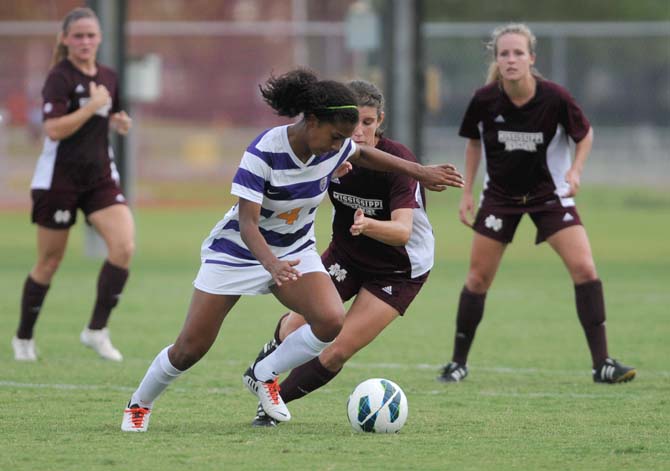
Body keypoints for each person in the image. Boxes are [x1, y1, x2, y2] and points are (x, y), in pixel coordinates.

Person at [121, 68, 463, 432]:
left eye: (343, 141)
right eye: (334, 137)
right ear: (311, 121)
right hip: (239, 250)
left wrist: (420, 172)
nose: (339, 148)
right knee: (191, 347)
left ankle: (263, 372)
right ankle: (139, 405)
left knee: (330, 320)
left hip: (295, 248)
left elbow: (364, 156)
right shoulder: (264, 151)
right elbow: (247, 223)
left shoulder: (333, 146)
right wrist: (271, 265)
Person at [438, 23, 636, 385]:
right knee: (478, 278)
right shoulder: (484, 99)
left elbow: (585, 133)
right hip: (499, 197)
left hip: (549, 197)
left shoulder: (555, 98)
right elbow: (473, 142)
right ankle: (457, 364)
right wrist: (466, 192)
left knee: (585, 270)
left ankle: (602, 364)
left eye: (518, 53)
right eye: (504, 53)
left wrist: (576, 171)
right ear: (497, 59)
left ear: (532, 58)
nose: (511, 60)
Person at [248, 79, 436, 427]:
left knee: (336, 350)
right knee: (294, 327)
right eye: (354, 123)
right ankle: (261, 367)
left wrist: (370, 226)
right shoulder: (329, 151)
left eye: (369, 122)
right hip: (347, 255)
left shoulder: (397, 162)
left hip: (398, 269)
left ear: (381, 121)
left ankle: (270, 406)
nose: (360, 131)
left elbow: (403, 232)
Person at [12, 7, 133, 362]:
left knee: (123, 247)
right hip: (59, 181)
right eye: (78, 35)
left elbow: (113, 113)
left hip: (99, 178)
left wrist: (119, 120)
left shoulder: (109, 76)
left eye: (91, 35)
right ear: (65, 39)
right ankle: (23, 337)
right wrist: (92, 106)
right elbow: (53, 129)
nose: (85, 41)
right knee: (50, 261)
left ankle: (96, 330)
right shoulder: (59, 77)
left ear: (99, 38)